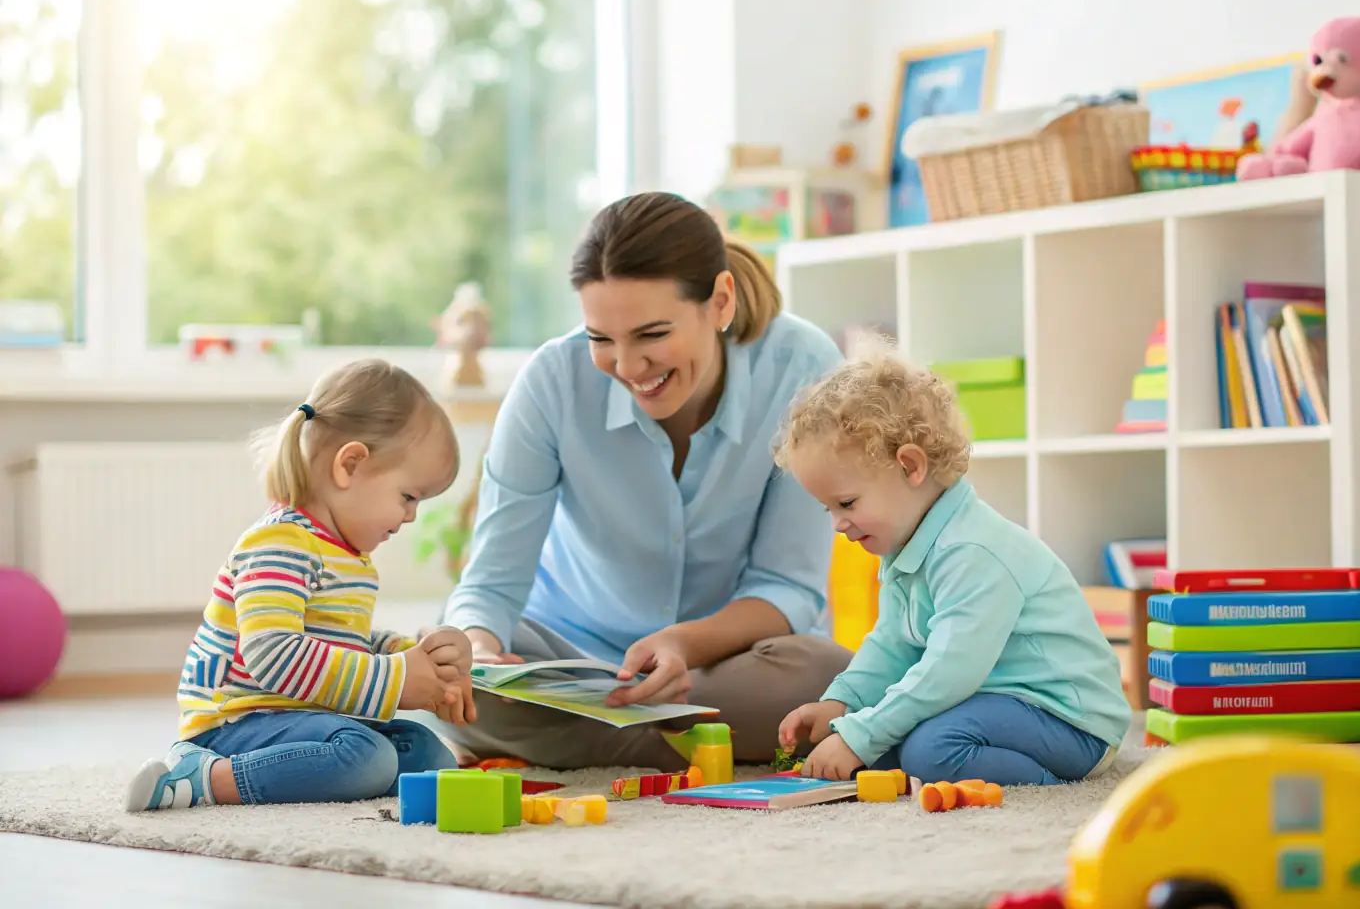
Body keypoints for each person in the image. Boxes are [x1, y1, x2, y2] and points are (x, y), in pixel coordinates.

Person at [436, 191, 853, 770]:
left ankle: (600, 744)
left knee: (826, 674)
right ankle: (694, 742)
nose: (628, 368)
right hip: (571, 660)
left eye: (653, 335)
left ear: (720, 301)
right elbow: (490, 586)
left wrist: (683, 645)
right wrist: (479, 650)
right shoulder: (551, 383)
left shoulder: (803, 367)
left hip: (723, 664)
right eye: (601, 339)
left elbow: (788, 585)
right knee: (450, 674)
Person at [124, 359, 477, 812]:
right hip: (238, 722)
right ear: (349, 465)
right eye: (408, 496)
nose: (411, 516)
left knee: (430, 756)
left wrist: (416, 654)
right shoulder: (279, 543)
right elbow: (274, 654)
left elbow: (339, 640)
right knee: (365, 759)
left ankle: (311, 768)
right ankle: (205, 776)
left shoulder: (350, 557)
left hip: (304, 717)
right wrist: (396, 677)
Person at [775, 338, 1131, 786]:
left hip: (1071, 721)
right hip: (995, 702)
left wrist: (861, 733)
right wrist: (842, 705)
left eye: (846, 502)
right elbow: (892, 645)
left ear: (910, 467)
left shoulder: (973, 551)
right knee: (885, 748)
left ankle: (1054, 788)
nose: (838, 525)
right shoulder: (907, 548)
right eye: (829, 508)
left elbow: (948, 671)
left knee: (929, 750)